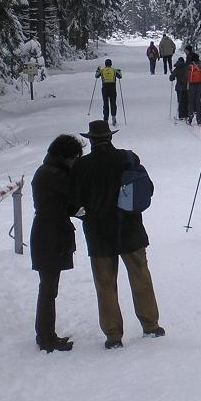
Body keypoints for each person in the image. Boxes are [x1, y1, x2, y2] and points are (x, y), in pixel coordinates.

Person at [69, 120, 165, 349]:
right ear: (111, 137)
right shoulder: (127, 158)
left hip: (99, 233)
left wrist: (87, 216)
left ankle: (113, 335)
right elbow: (147, 189)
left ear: (90, 140)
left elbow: (72, 202)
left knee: (105, 284)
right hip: (130, 228)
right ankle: (151, 325)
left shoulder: (82, 166)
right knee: (141, 276)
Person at [30, 134, 84, 353]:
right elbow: (73, 199)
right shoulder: (56, 175)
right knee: (48, 289)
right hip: (50, 236)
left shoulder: (46, 171)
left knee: (48, 288)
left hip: (46, 233)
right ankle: (45, 336)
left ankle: (46, 334)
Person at [95, 59, 122, 126]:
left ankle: (105, 119)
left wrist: (97, 70)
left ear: (105, 64)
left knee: (105, 104)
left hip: (105, 88)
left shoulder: (102, 70)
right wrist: (119, 71)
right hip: (112, 88)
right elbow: (120, 76)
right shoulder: (114, 70)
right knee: (113, 103)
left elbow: (96, 76)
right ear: (111, 64)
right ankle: (113, 117)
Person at [185, 48, 201, 125]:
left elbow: (185, 76)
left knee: (191, 102)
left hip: (191, 85)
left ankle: (190, 118)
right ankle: (199, 119)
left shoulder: (189, 65)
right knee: (198, 101)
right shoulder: (200, 65)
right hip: (199, 85)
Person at [169, 56, 189, 122]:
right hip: (186, 87)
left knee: (180, 101)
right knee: (186, 101)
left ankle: (181, 116)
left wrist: (172, 76)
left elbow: (171, 78)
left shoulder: (177, 68)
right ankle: (186, 115)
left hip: (179, 87)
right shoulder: (186, 68)